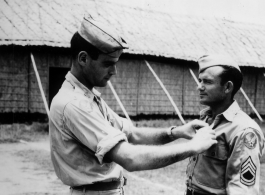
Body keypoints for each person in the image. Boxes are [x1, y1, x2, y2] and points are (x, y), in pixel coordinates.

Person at [49, 16, 217, 195]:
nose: (114, 71)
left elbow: (132, 134)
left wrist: (177, 132)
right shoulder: (74, 103)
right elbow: (130, 158)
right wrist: (193, 147)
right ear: (83, 59)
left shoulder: (87, 96)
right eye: (108, 64)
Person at [185, 54, 265, 195]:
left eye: (207, 82)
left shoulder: (244, 130)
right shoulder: (205, 119)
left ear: (227, 87)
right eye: (200, 81)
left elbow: (242, 190)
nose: (199, 87)